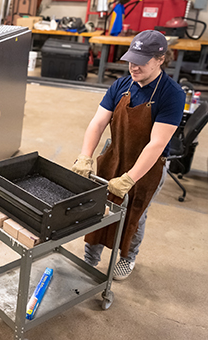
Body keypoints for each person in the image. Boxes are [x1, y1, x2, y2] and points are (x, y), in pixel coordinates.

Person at [72, 30, 185, 280]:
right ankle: (91, 256)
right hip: (115, 154)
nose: (134, 67)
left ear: (160, 59)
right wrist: (85, 155)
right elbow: (98, 122)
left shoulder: (172, 94)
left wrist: (130, 178)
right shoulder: (121, 85)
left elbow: (156, 144)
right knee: (99, 205)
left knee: (135, 212)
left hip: (147, 166)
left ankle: (127, 257)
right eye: (132, 59)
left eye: (141, 61)